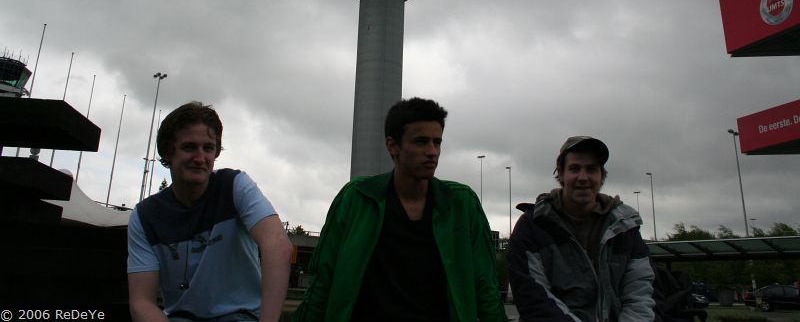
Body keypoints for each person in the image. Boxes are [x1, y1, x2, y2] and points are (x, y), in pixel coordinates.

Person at [293, 97, 507, 322]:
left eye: (437, 142)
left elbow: (486, 288)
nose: (432, 151)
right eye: (421, 142)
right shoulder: (356, 199)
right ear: (392, 145)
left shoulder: (462, 204)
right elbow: (322, 282)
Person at [127, 101, 293, 322]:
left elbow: (278, 246)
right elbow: (141, 302)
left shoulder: (234, 185)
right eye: (189, 147)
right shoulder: (145, 216)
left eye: (208, 148)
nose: (200, 158)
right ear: (167, 152)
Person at [508, 136, 654, 322]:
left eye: (591, 169)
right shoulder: (532, 226)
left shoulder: (626, 227)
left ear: (601, 176)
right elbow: (533, 298)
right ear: (561, 174)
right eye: (574, 169)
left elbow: (640, 294)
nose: (583, 177)